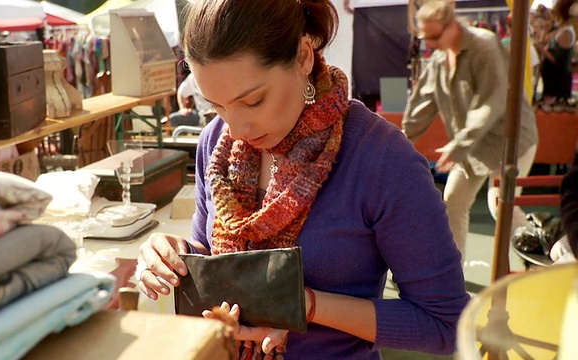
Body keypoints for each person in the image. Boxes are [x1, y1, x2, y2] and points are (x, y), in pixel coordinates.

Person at [137, 0, 469, 358]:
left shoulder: (382, 160)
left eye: (253, 101)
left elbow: (446, 324)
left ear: (303, 57)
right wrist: (178, 256)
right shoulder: (215, 146)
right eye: (216, 105)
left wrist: (304, 305)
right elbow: (214, 257)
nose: (235, 128)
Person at [403, 1, 539, 262]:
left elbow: (492, 103)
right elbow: (422, 106)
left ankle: (539, 248)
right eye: (425, 37)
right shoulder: (439, 59)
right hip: (474, 147)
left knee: (500, 205)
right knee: (453, 200)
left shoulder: (485, 45)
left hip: (512, 140)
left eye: (434, 36)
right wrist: (400, 140)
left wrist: (458, 145)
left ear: (452, 25)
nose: (430, 43)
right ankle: (452, 272)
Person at [536, 0, 576, 112]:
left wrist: (541, 50)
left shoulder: (566, 32)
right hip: (551, 82)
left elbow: (559, 60)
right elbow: (545, 40)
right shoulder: (560, 29)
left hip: (558, 82)